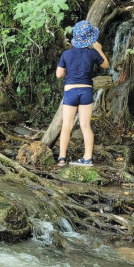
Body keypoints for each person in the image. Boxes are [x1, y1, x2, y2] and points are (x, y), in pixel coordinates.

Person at [55, 20, 109, 167]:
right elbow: (105, 65)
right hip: (86, 91)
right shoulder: (92, 53)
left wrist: (67, 69)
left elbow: (59, 75)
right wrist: (99, 49)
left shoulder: (66, 54)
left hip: (70, 91)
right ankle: (87, 158)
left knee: (67, 125)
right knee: (85, 125)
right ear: (90, 39)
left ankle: (61, 158)